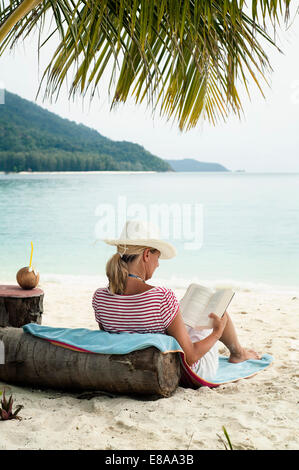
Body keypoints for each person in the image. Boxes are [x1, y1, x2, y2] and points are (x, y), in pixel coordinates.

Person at [92, 220, 261, 381]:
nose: (158, 264)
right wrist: (217, 332)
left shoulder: (100, 298)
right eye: (157, 257)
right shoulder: (161, 297)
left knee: (183, 316)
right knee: (214, 310)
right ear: (146, 255)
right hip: (177, 371)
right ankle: (238, 353)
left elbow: (115, 339)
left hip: (136, 368)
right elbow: (191, 357)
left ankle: (238, 352)